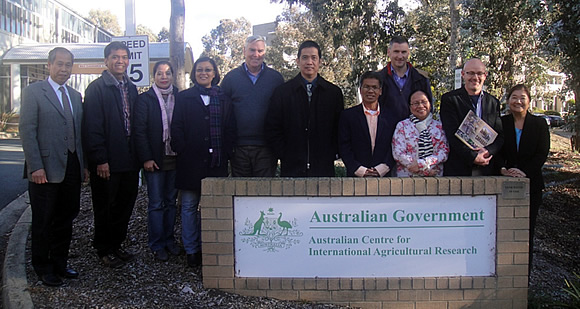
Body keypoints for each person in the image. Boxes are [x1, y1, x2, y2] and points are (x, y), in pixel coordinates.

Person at [20, 47, 84, 286]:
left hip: (71, 169)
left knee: (66, 218)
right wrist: (35, 166)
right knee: (43, 220)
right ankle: (43, 266)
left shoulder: (75, 96)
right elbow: (27, 131)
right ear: (49, 65)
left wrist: (83, 165)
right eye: (59, 64)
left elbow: (78, 135)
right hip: (44, 170)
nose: (64, 69)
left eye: (68, 65)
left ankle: (60, 262)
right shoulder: (34, 92)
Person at [171, 57, 235, 267]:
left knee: (211, 206)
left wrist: (226, 152)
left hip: (215, 162)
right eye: (200, 70)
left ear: (215, 73)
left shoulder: (224, 98)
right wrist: (182, 148)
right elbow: (177, 126)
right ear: (194, 73)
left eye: (208, 70)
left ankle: (209, 246)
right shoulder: (184, 97)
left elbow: (229, 128)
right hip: (190, 161)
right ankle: (191, 249)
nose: (204, 73)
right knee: (189, 206)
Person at [83, 41, 140, 268]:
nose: (120, 61)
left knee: (125, 204)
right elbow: (92, 127)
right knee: (105, 206)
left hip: (129, 158)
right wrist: (100, 159)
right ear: (106, 60)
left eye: (124, 57)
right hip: (107, 160)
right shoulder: (96, 89)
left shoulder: (131, 87)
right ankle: (103, 248)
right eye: (115, 57)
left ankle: (117, 244)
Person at [266, 40, 344, 177]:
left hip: (323, 167)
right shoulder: (282, 92)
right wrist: (284, 153)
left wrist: (332, 152)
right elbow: (272, 127)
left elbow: (340, 128)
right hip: (292, 167)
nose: (309, 62)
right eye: (305, 57)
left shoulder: (333, 93)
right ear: (297, 61)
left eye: (314, 58)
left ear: (320, 61)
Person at [498, 84, 550, 271]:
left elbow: (542, 153)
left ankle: (523, 276)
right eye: (514, 97)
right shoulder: (501, 123)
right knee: (503, 230)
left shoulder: (539, 124)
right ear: (508, 99)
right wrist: (503, 169)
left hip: (531, 184)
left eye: (522, 97)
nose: (518, 101)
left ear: (529, 101)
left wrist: (524, 172)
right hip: (505, 182)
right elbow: (496, 151)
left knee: (526, 231)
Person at [134, 61, 181, 262]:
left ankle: (169, 240)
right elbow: (139, 131)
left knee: (171, 202)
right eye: (160, 73)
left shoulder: (180, 96)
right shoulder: (145, 99)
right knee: (156, 203)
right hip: (155, 159)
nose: (164, 77)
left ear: (172, 75)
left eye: (168, 73)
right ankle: (156, 243)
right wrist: (146, 157)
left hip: (176, 159)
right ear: (154, 76)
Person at [220, 35, 284, 177]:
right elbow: (223, 113)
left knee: (264, 194)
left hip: (267, 147)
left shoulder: (276, 79)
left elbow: (282, 113)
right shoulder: (230, 79)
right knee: (241, 194)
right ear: (244, 51)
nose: (256, 54)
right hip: (238, 148)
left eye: (260, 51)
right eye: (252, 50)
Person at [440, 58, 504, 176]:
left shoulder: (493, 102)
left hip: (487, 168)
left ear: (485, 76)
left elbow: (499, 135)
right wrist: (473, 156)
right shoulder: (450, 100)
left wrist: (487, 152)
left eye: (479, 73)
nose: (475, 77)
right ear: (463, 75)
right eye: (470, 73)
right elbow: (451, 133)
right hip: (459, 169)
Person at [338, 71, 394, 177]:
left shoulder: (391, 117)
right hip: (356, 177)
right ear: (360, 90)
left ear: (380, 91)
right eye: (366, 87)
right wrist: (359, 170)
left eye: (374, 87)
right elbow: (344, 146)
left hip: (384, 177)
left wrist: (382, 169)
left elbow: (394, 146)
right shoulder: (348, 116)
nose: (370, 91)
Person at [392, 90, 449, 176]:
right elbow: (398, 153)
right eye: (416, 103)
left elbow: (444, 152)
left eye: (424, 102)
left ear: (430, 105)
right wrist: (424, 170)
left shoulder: (439, 127)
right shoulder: (402, 126)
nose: (420, 106)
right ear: (410, 107)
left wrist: (422, 163)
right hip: (407, 179)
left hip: (434, 177)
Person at [378, 36, 433, 127]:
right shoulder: (379, 79)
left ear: (408, 53)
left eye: (403, 52)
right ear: (389, 52)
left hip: (415, 134)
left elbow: (428, 109)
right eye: (396, 52)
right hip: (386, 133)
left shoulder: (421, 79)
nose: (400, 56)